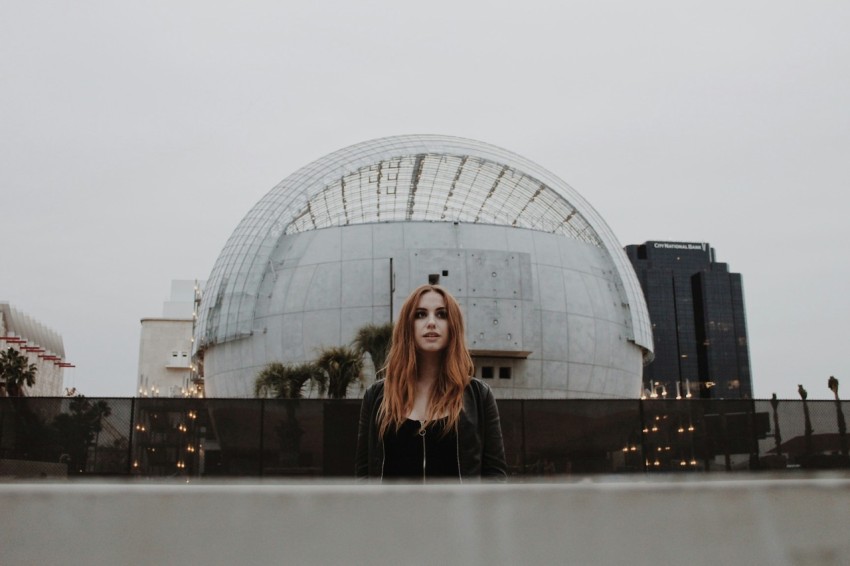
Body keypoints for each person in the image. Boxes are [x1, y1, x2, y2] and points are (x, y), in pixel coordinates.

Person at [355, 284, 507, 482]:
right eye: (420, 314)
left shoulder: (478, 395)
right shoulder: (376, 396)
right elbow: (364, 476)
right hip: (392, 513)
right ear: (408, 325)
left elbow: (495, 475)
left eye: (442, 314)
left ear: (453, 325)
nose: (431, 323)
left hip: (459, 513)